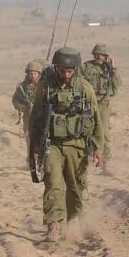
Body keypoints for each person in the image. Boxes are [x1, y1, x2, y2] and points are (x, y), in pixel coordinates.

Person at [28, 47, 104, 242]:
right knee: (53, 182)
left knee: (75, 186)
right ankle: (53, 225)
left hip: (77, 145)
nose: (66, 75)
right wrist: (34, 144)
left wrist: (99, 149)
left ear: (75, 70)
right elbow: (35, 116)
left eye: (70, 71)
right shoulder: (46, 86)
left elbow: (96, 119)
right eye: (63, 71)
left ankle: (72, 219)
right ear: (56, 68)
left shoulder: (84, 87)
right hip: (52, 144)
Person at [81, 43, 122, 175]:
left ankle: (105, 164)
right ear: (94, 54)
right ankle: (86, 161)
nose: (99, 57)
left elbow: (117, 84)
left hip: (103, 104)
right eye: (97, 54)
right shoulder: (86, 67)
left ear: (106, 56)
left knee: (104, 133)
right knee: (86, 131)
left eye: (102, 55)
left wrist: (113, 68)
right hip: (88, 103)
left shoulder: (109, 69)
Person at [12, 60, 43, 144]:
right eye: (30, 74)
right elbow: (15, 99)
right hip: (28, 119)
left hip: (42, 118)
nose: (32, 76)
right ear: (27, 74)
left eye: (35, 73)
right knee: (30, 143)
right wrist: (20, 106)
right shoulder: (22, 86)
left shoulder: (44, 85)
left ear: (39, 74)